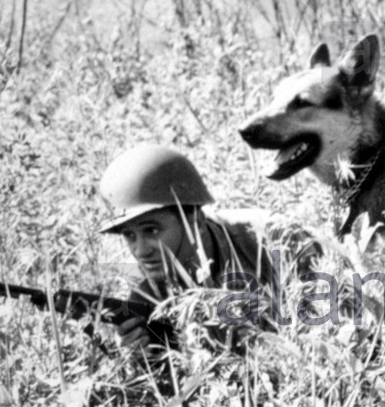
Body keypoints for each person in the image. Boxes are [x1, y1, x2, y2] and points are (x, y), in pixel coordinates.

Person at [97, 143, 275, 361]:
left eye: (152, 230)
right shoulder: (147, 294)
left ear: (196, 222)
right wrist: (138, 356)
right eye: (129, 235)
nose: (141, 250)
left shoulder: (268, 241)